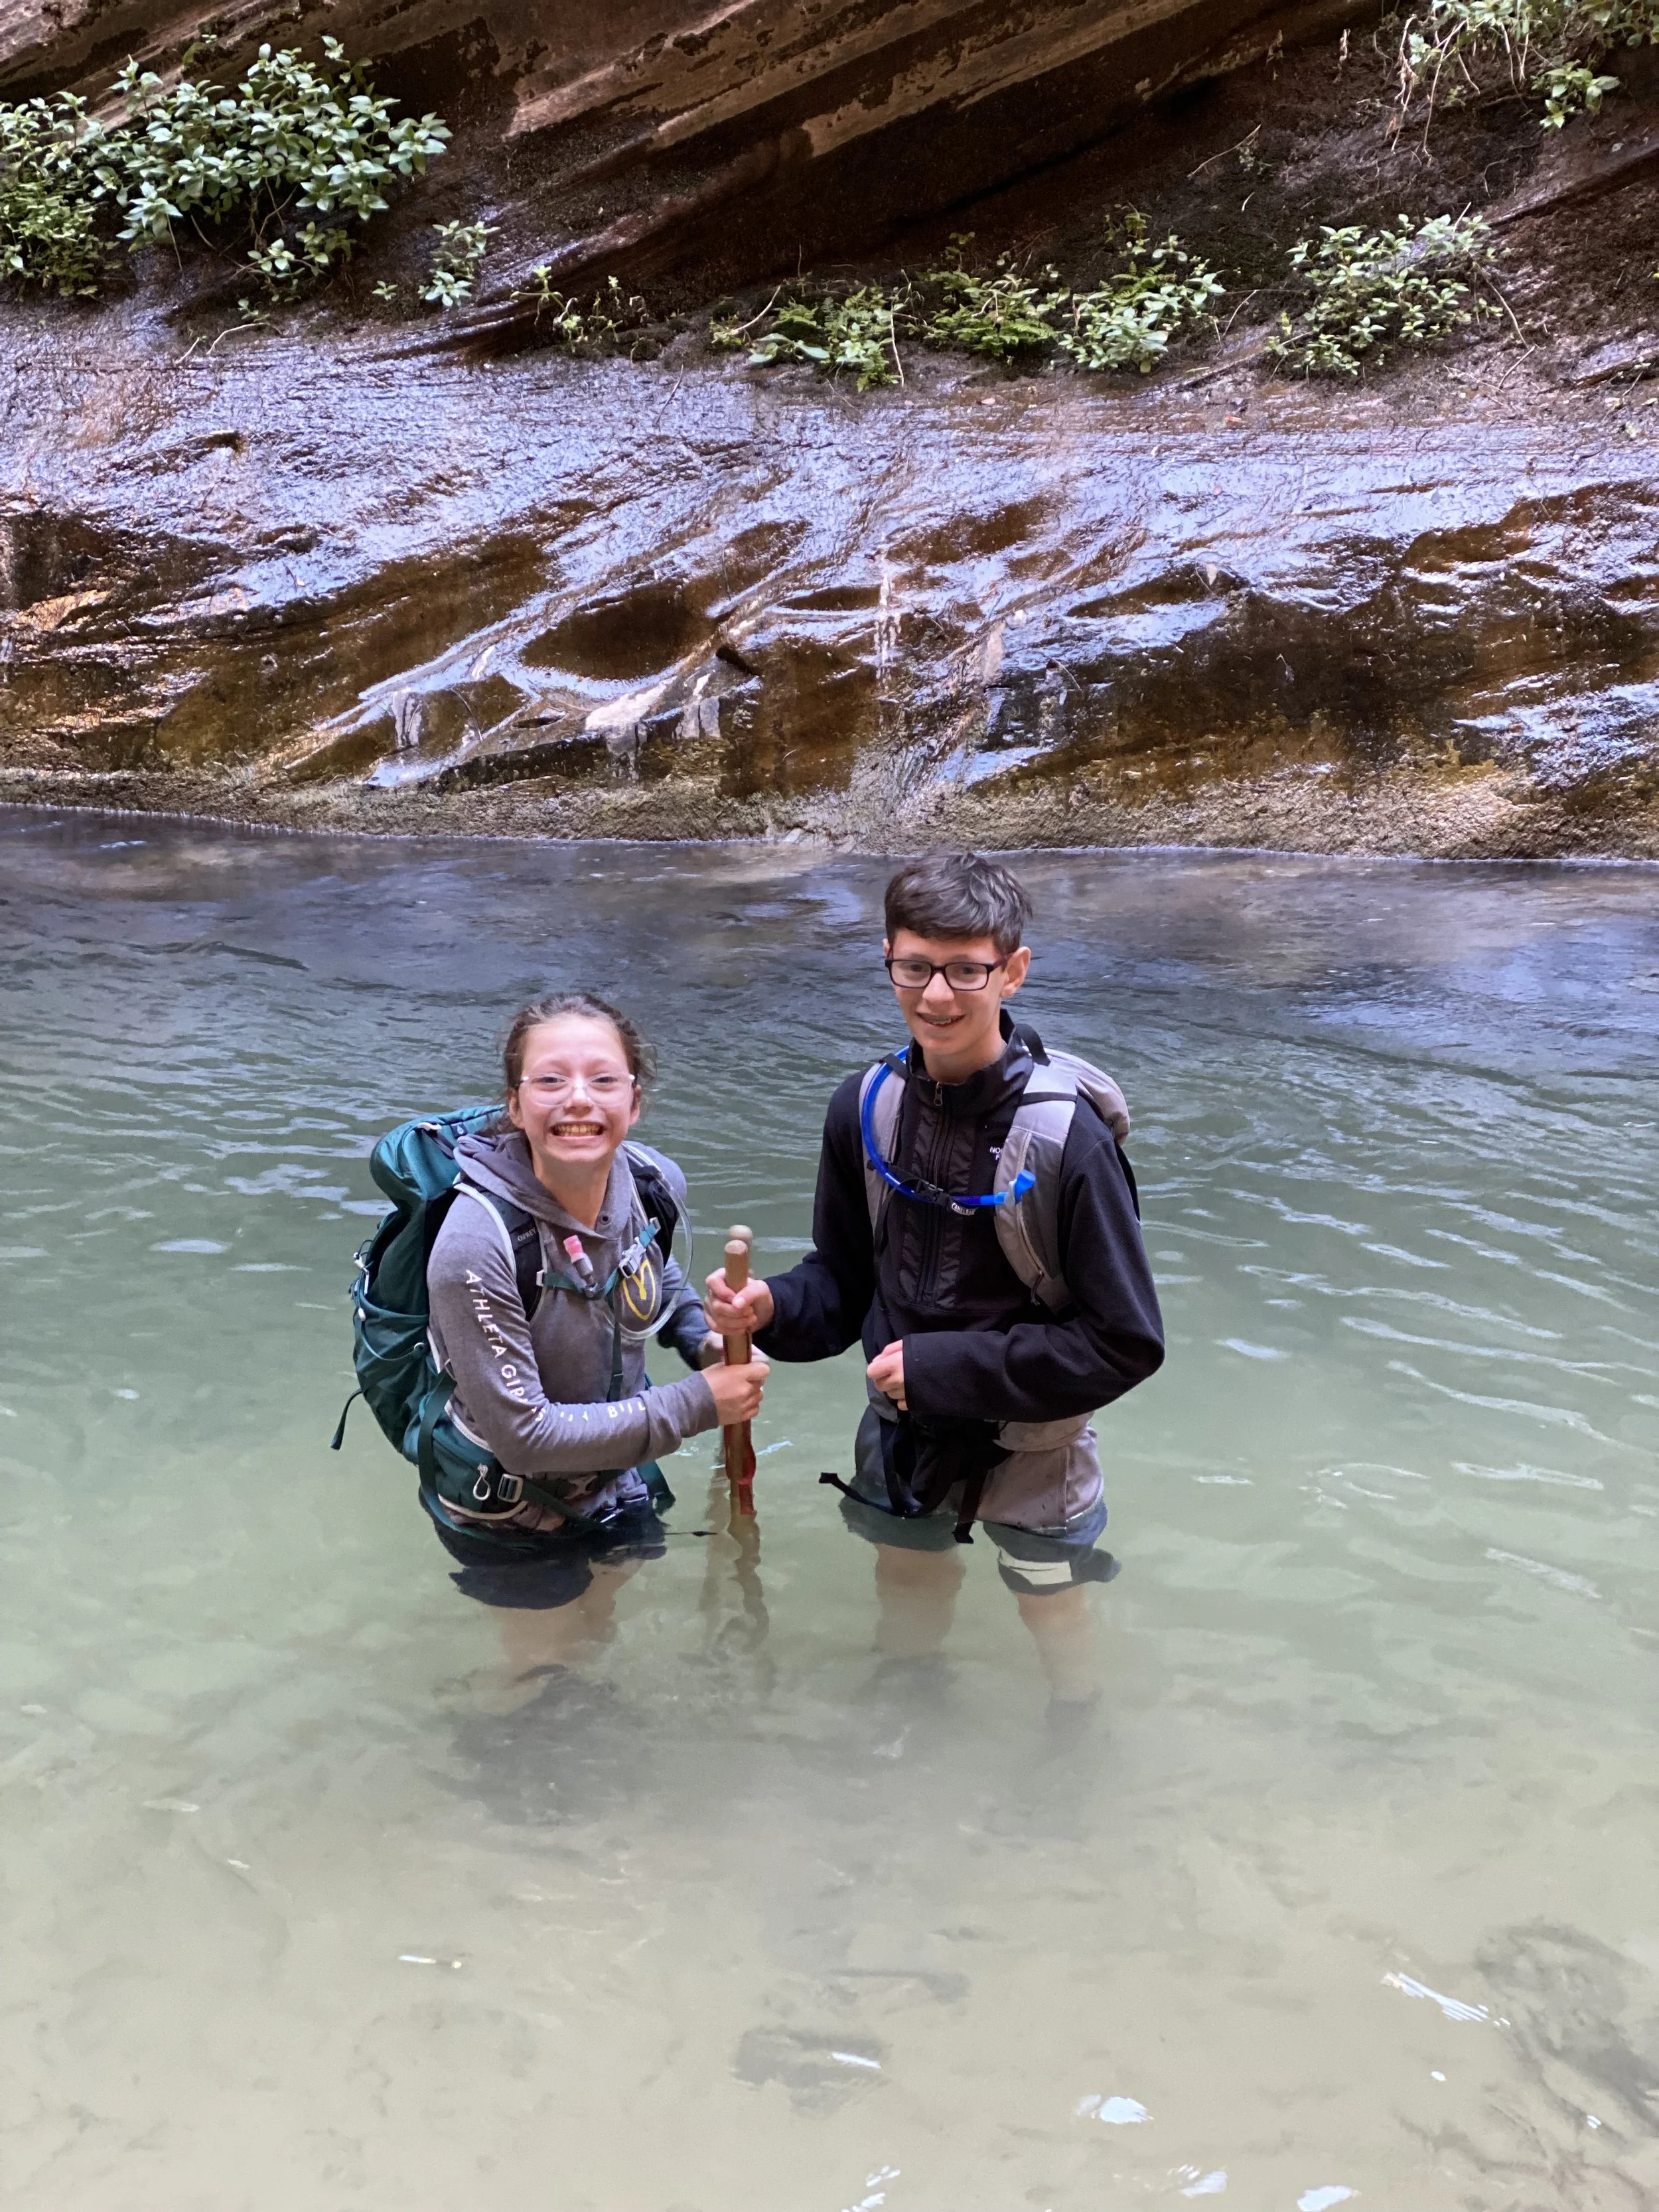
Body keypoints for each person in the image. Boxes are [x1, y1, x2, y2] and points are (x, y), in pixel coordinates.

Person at [704, 852, 1163, 1722]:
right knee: (905, 1571)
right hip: (903, 1426)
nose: (938, 995)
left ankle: (1076, 1724)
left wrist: (945, 1367)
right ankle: (910, 1707)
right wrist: (770, 1311)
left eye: (966, 969)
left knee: (1048, 1593)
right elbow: (839, 1285)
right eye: (914, 967)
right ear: (887, 960)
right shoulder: (864, 1108)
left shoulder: (1070, 1141)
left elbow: (1126, 1341)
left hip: (1037, 1441)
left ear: (1013, 971)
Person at [424, 991, 764, 1679]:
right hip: (508, 1509)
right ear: (515, 1106)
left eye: (603, 1080)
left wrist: (703, 1338)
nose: (578, 1100)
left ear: (634, 1102)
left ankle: (585, 1750)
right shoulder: (474, 1246)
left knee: (595, 1637)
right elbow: (525, 1437)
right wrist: (702, 1401)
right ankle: (506, 1758)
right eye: (550, 1080)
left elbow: (653, 1276)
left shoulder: (648, 1182)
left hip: (617, 1476)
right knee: (540, 1668)